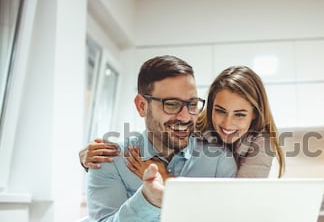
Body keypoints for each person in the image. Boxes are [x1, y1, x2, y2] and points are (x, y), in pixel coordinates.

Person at [87, 55, 237, 222]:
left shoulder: (219, 161)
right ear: (142, 106)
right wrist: (148, 201)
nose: (185, 117)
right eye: (172, 104)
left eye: (192, 104)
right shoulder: (109, 160)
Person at [80, 65, 285, 178]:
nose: (227, 123)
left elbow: (239, 202)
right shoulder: (195, 125)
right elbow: (155, 134)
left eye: (240, 114)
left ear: (254, 115)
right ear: (210, 105)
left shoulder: (262, 144)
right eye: (220, 111)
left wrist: (166, 179)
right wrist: (88, 155)